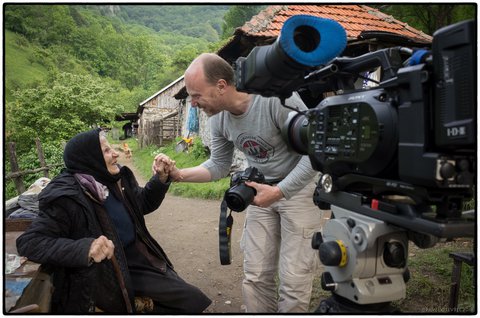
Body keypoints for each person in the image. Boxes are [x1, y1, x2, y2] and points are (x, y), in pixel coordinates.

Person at [162, 53, 326, 313]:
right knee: (255, 275)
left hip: (299, 188)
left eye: (196, 95)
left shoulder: (275, 99)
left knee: (294, 279)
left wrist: (280, 191)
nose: (192, 103)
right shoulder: (218, 119)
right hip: (259, 191)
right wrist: (178, 174)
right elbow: (218, 165)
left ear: (221, 86)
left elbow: (316, 152)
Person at [16, 128, 211, 313]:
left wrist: (159, 180)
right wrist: (85, 248)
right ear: (89, 158)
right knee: (190, 299)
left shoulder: (113, 180)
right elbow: (30, 242)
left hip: (136, 257)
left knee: (182, 294)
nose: (116, 154)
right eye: (107, 150)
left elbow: (141, 204)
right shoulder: (67, 196)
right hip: (106, 272)